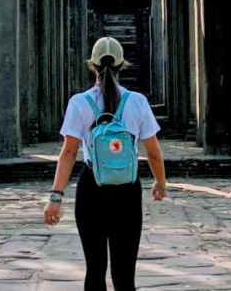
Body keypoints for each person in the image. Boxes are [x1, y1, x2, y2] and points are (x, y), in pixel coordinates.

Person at [44, 37, 168, 291]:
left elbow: (69, 151)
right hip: (128, 188)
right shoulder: (137, 101)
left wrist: (55, 196)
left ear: (92, 65)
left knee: (95, 269)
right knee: (124, 274)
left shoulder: (79, 102)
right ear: (123, 65)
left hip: (92, 187)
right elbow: (153, 152)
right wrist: (160, 183)